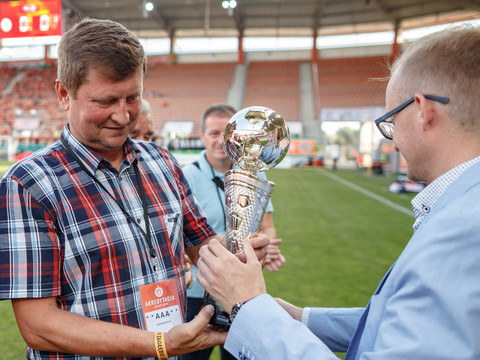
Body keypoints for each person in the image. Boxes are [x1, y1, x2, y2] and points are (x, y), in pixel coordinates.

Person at [196, 26, 480, 359]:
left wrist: (250, 306)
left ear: (423, 111)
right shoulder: (462, 208)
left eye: (390, 120)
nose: (392, 137)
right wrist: (299, 317)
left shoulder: (464, 228)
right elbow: (402, 322)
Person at [0, 18, 269, 360]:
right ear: (64, 94)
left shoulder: (161, 161)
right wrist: (159, 344)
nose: (123, 116)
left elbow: (202, 248)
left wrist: (238, 250)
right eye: (106, 100)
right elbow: (39, 325)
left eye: (132, 97)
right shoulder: (28, 184)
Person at [180, 104, 284, 360]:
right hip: (198, 293)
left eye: (226, 133)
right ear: (202, 135)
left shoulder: (253, 172)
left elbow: (267, 225)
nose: (219, 141)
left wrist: (265, 246)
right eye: (213, 133)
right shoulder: (185, 176)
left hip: (242, 291)